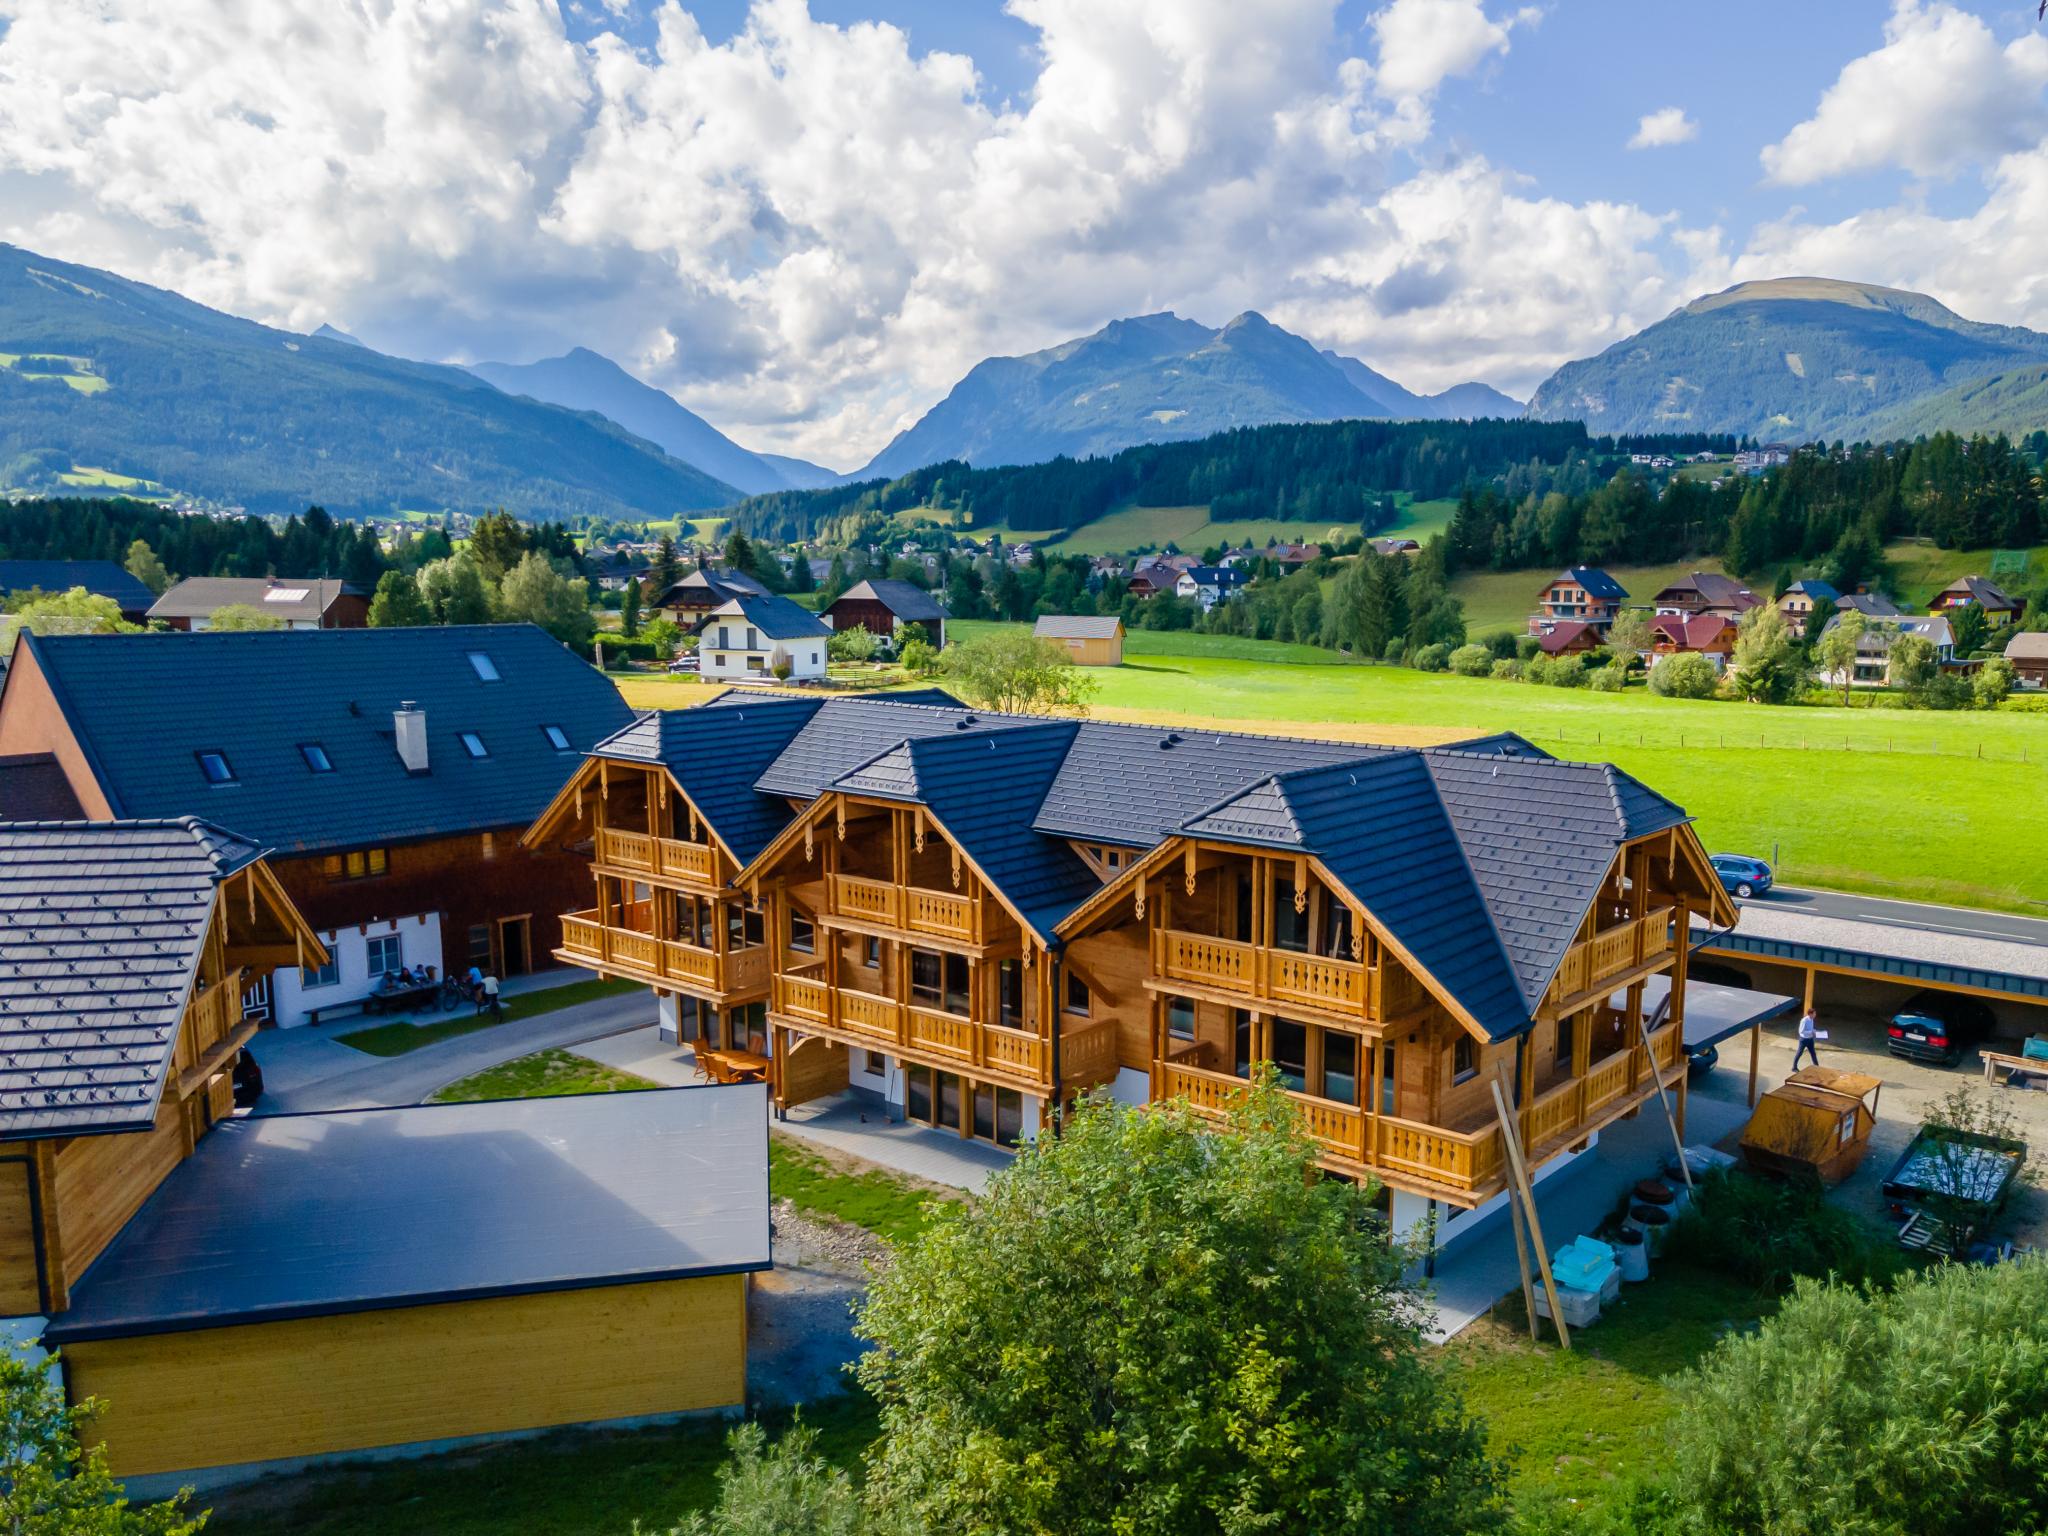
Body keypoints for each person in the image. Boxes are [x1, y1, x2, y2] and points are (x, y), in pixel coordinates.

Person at [1792, 1005, 1821, 1071]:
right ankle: (1794, 1067)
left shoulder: (1812, 1019)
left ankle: (1817, 1067)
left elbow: (1810, 1028)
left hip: (1810, 1039)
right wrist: (1811, 1031)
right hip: (1804, 1040)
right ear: (1810, 1014)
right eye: (1814, 1013)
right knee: (1799, 1053)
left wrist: (1814, 1031)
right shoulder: (1804, 1020)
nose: (1815, 1015)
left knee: (1813, 1053)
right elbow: (1801, 1031)